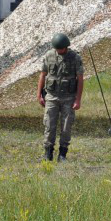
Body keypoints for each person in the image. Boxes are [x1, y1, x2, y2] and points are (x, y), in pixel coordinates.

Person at [37, 33, 84, 162]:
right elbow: (42, 75)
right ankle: (48, 153)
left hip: (68, 97)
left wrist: (78, 99)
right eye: (57, 49)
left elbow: (80, 79)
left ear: (66, 47)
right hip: (51, 96)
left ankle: (62, 154)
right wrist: (39, 94)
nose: (59, 51)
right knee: (49, 125)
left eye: (61, 49)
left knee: (66, 126)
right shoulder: (49, 56)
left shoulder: (75, 58)